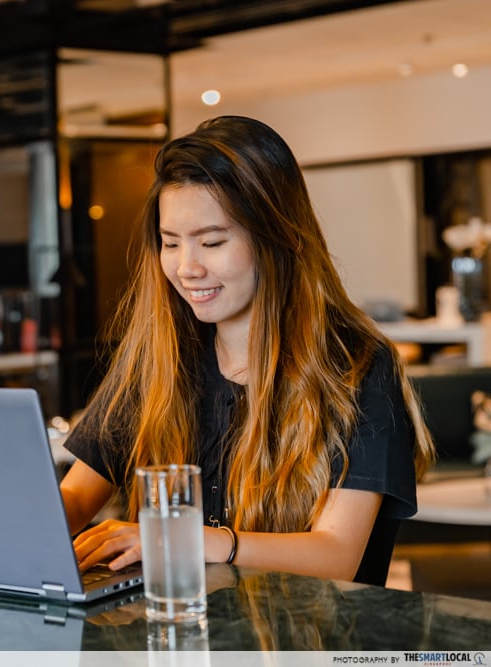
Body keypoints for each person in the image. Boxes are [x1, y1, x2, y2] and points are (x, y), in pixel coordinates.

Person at [60, 116, 435, 586]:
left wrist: (190, 539)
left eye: (212, 242)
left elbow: (338, 555)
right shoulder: (159, 361)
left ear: (281, 238)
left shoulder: (356, 366)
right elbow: (75, 499)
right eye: (170, 243)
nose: (186, 267)